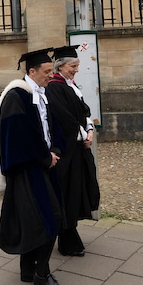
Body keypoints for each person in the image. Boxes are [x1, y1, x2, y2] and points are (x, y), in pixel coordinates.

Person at [0, 47, 69, 285]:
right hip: (27, 169)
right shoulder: (17, 96)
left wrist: (56, 148)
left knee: (36, 218)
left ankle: (27, 268)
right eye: (46, 72)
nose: (51, 75)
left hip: (44, 165)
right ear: (32, 71)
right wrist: (45, 157)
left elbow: (52, 125)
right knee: (51, 218)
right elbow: (18, 137)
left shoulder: (42, 93)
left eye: (51, 71)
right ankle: (42, 273)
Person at [46, 45, 100, 257]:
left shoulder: (69, 84)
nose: (76, 69)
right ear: (60, 66)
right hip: (67, 150)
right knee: (68, 193)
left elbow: (83, 111)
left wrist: (89, 129)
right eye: (73, 66)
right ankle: (66, 239)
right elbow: (64, 119)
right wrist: (82, 134)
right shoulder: (54, 87)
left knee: (76, 192)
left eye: (77, 65)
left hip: (77, 147)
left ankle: (69, 235)